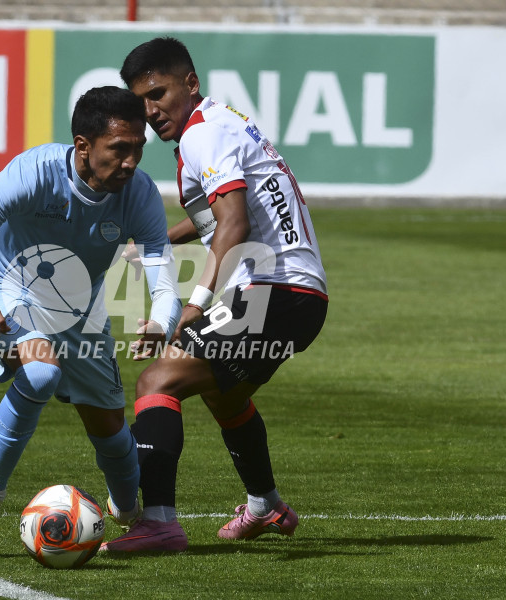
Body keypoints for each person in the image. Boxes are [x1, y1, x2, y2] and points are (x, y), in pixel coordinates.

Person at [0, 86, 181, 553]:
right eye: (119, 149)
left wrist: (162, 321)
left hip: (78, 309)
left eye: (138, 150)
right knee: (41, 373)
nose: (130, 162)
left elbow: (164, 281)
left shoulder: (140, 193)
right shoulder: (33, 173)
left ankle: (126, 508)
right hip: (3, 286)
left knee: (110, 431)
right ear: (83, 146)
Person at [103, 37, 328, 552]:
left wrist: (194, 304)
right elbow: (213, 218)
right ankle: (265, 505)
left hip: (276, 288)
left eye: (158, 94)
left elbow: (234, 223)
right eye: (141, 102)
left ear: (190, 83)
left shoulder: (205, 135)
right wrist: (156, 243)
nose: (151, 110)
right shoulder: (219, 121)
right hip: (297, 291)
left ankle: (158, 523)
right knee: (224, 395)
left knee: (158, 379)